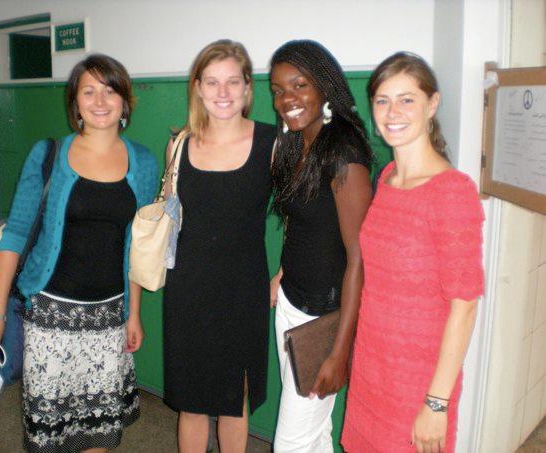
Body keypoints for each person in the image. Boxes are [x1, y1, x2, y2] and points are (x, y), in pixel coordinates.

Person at [0, 54, 158, 452]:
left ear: (125, 101)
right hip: (49, 317)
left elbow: (139, 247)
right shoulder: (48, 154)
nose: (100, 100)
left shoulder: (142, 162)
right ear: (75, 103)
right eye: (88, 91)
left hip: (109, 318)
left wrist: (134, 313)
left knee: (98, 432)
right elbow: (15, 236)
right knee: (51, 432)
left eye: (110, 90)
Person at [341, 52, 485, 453]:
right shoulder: (386, 177)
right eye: (383, 100)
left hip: (418, 383)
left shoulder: (452, 191)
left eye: (407, 99)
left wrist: (436, 403)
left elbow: (464, 307)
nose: (393, 112)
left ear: (432, 104)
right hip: (372, 368)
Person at [159, 39, 275, 453]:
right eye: (212, 82)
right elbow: (167, 214)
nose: (222, 93)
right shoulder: (180, 145)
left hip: (242, 293)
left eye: (232, 82)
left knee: (233, 403)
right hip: (188, 290)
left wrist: (280, 278)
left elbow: (304, 214)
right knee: (190, 404)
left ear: (247, 88)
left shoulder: (272, 143)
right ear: (198, 88)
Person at [269, 40, 374, 452]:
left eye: (299, 85)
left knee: (291, 443)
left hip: (325, 319)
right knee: (313, 435)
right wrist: (281, 273)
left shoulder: (343, 150)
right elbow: (303, 223)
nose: (286, 99)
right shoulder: (300, 141)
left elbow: (360, 259)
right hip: (293, 303)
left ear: (325, 87)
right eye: (278, 90)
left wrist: (340, 350)